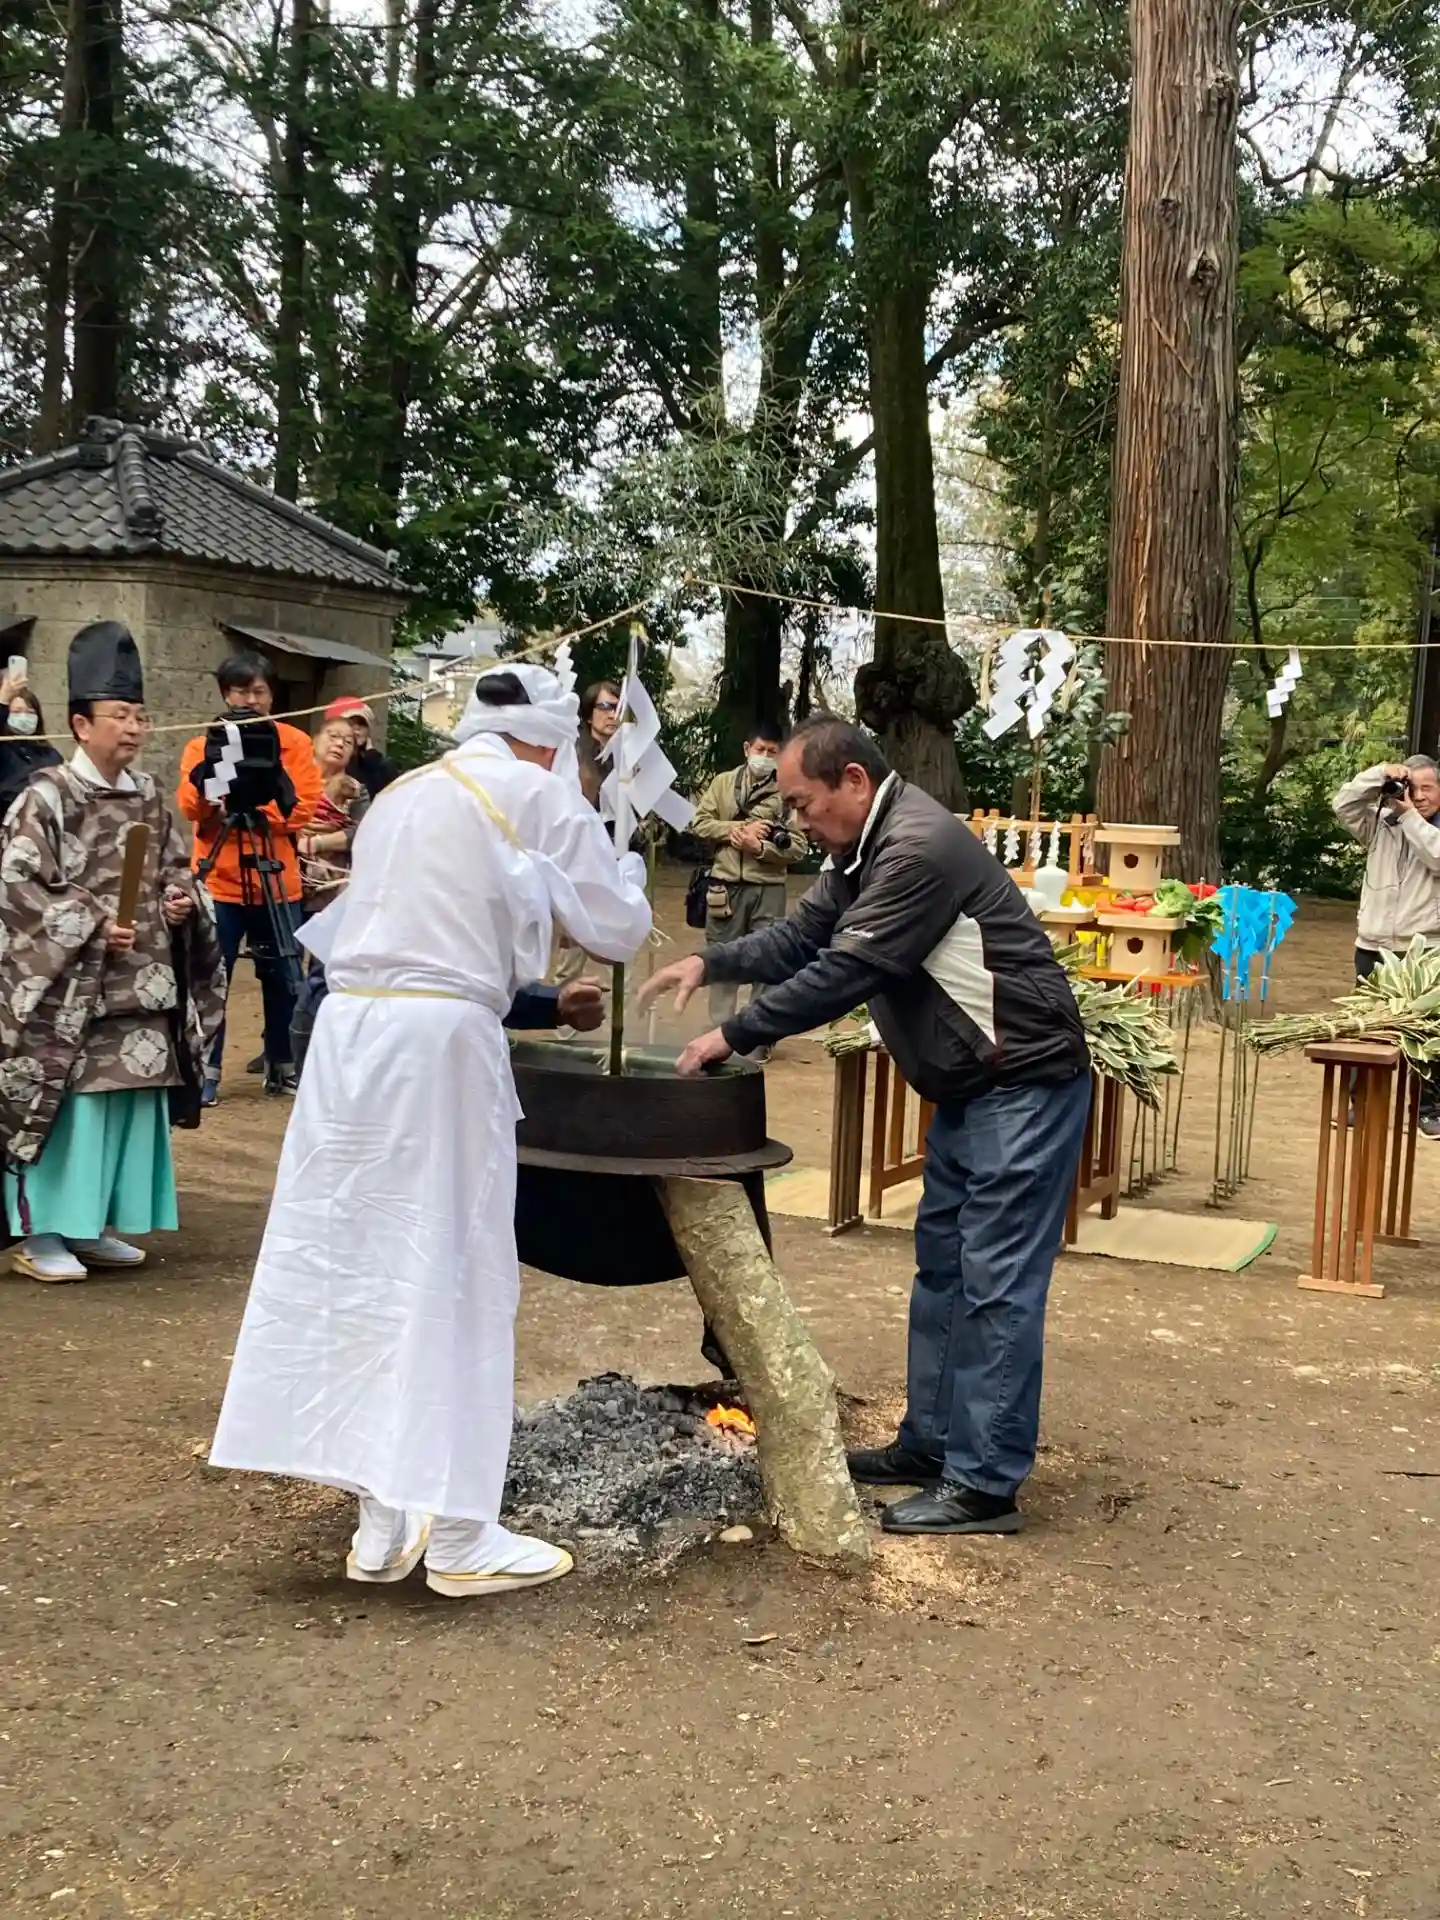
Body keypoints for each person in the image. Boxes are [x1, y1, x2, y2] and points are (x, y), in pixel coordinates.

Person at [210, 662, 652, 1598]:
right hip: (437, 1047)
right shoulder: (535, 792)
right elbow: (615, 930)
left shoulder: (404, 792)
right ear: (547, 741)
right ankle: (457, 1531)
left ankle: (380, 1521)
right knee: (458, 1265)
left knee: (359, 1265)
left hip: (347, 1042)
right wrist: (628, 871)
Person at [639, 716, 1092, 1538]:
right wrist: (712, 960)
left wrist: (732, 1033)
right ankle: (932, 1445)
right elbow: (803, 936)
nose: (797, 822)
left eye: (802, 803)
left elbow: (847, 970)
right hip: (971, 1089)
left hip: (1023, 1084)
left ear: (853, 779)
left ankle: (984, 1484)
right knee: (945, 1269)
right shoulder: (860, 849)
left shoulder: (917, 848)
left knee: (995, 1283)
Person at [0, 622, 226, 1283]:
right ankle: (42, 1232)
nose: (133, 727)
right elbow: (17, 884)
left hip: (141, 985)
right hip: (70, 992)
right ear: (80, 723)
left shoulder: (150, 795)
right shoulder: (45, 797)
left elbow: (176, 867)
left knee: (127, 1105)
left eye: (140, 715)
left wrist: (181, 901)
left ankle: (92, 1225)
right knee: (70, 1107)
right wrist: (95, 924)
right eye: (120, 715)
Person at [176, 653, 323, 1101]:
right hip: (218, 881)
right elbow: (189, 806)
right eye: (241, 691)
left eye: (259, 691)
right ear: (226, 694)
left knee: (282, 974)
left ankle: (284, 1062)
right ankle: (206, 1069)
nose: (251, 700)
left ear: (272, 695)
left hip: (275, 878)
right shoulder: (203, 745)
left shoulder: (294, 742)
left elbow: (303, 805)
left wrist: (253, 811)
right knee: (209, 975)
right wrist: (212, 799)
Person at [1333, 753, 1440, 1137]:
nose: (1419, 796)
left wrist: (1410, 817)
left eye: (1428, 788)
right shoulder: (1381, 823)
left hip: (1422, 948)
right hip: (1373, 944)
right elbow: (1343, 803)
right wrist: (1380, 774)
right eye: (1412, 787)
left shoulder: (1426, 828)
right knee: (1365, 1028)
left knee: (1426, 1032)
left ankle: (1428, 1109)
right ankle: (1360, 1106)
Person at [690, 719, 808, 1043]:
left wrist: (760, 848)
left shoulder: (787, 791)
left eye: (772, 752)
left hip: (768, 890)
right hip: (724, 888)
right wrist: (737, 831)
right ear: (747, 749)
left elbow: (799, 847)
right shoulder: (723, 783)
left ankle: (759, 1035)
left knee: (769, 961)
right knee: (722, 958)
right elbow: (699, 823)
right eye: (760, 749)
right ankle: (719, 1032)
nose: (765, 757)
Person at [0, 672, 62, 818]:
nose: (24, 716)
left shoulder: (50, 754)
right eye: (17, 711)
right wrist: (2, 700)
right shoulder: (4, 750)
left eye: (30, 712)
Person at [324, 695, 398, 798]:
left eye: (362, 723)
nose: (357, 728)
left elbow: (391, 794)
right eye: (351, 722)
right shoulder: (326, 761)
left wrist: (374, 759)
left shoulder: (374, 763)